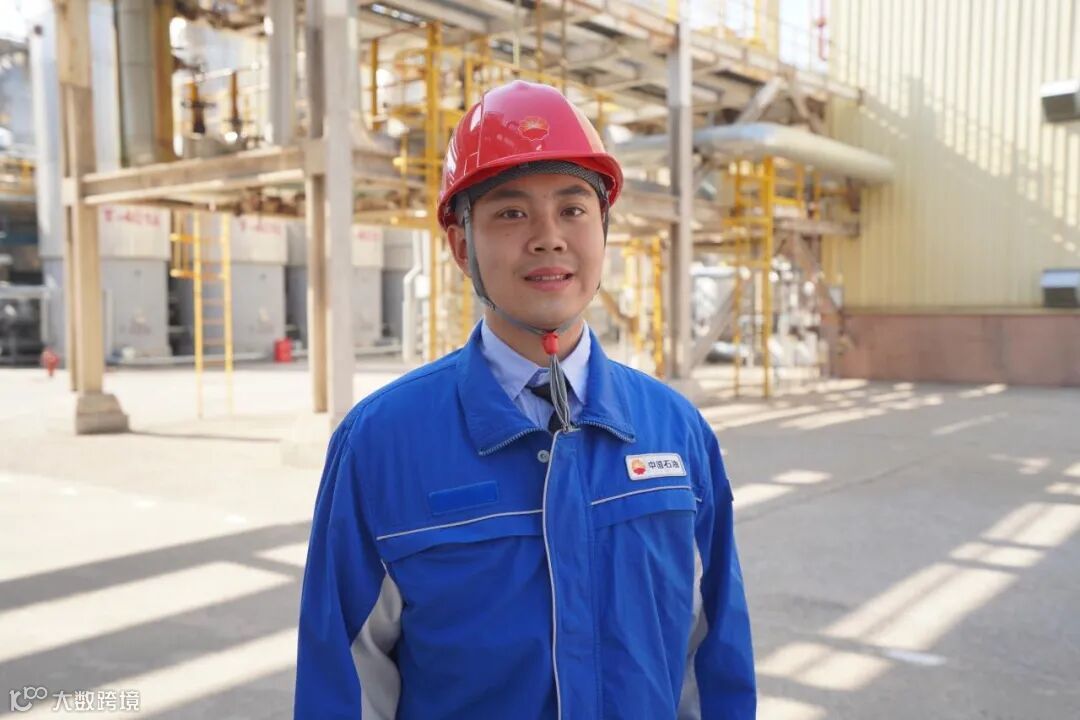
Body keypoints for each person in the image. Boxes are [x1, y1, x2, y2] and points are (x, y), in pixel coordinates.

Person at [294, 80, 755, 719]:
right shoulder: (381, 444)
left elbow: (714, 656)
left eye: (574, 209)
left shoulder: (675, 431)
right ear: (462, 246)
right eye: (511, 213)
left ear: (603, 230)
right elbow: (345, 683)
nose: (548, 237)